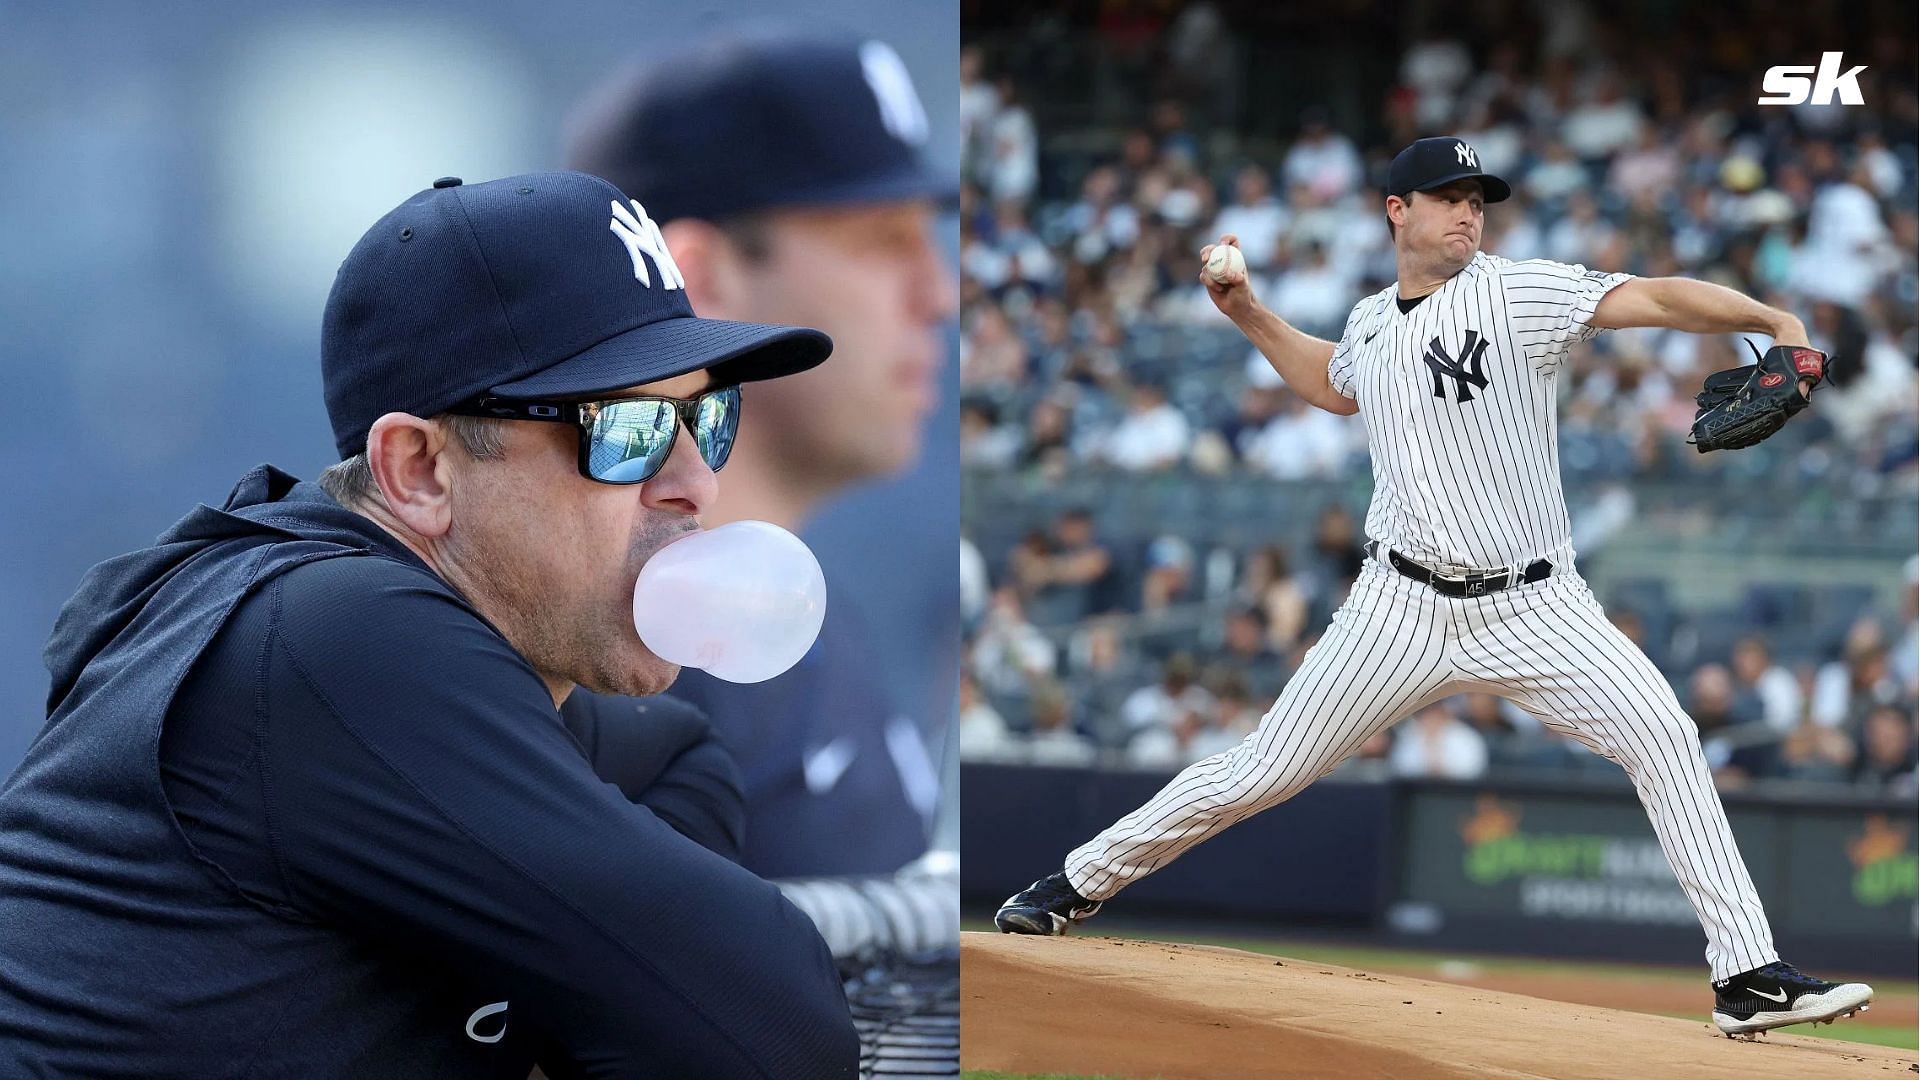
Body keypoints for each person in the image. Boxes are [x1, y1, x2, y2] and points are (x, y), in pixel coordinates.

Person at [993, 136, 1873, 1039]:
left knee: (1667, 735)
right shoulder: (1373, 321)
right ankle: (1072, 884)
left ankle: (1747, 974)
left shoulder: (1517, 291)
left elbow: (1653, 295)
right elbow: (1335, 386)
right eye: (1446, 194)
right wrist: (1247, 312)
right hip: (1397, 605)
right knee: (1261, 770)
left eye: (1476, 197)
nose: (1466, 210)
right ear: (1396, 210)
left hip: (1533, 604)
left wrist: (1778, 322)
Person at [0, 172, 857, 1077]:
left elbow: (673, 753)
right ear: (418, 470)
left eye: (706, 417)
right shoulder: (340, 637)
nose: (697, 481)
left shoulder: (350, 637)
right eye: (630, 427)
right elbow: (775, 1033)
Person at [565, 30, 957, 961]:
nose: (938, 294)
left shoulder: (792, 606)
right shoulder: (606, 672)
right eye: (881, 240)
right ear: (699, 278)